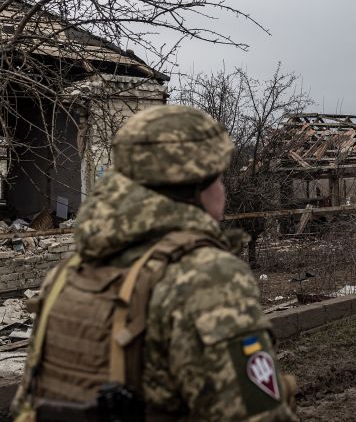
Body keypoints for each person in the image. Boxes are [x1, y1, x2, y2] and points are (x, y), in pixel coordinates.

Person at [13, 105, 298, 421]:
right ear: (194, 185)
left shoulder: (69, 273)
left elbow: (27, 405)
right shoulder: (204, 277)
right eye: (218, 176)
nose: (223, 189)